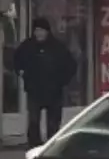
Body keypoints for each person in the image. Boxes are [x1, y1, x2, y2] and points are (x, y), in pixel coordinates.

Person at [14, 18, 76, 147]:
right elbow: (16, 59)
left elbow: (70, 65)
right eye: (36, 30)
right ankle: (34, 146)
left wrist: (62, 81)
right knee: (33, 120)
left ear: (47, 31)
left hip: (54, 91)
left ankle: (52, 146)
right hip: (34, 90)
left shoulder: (57, 47)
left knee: (53, 123)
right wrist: (20, 71)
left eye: (41, 30)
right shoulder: (28, 46)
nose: (39, 33)